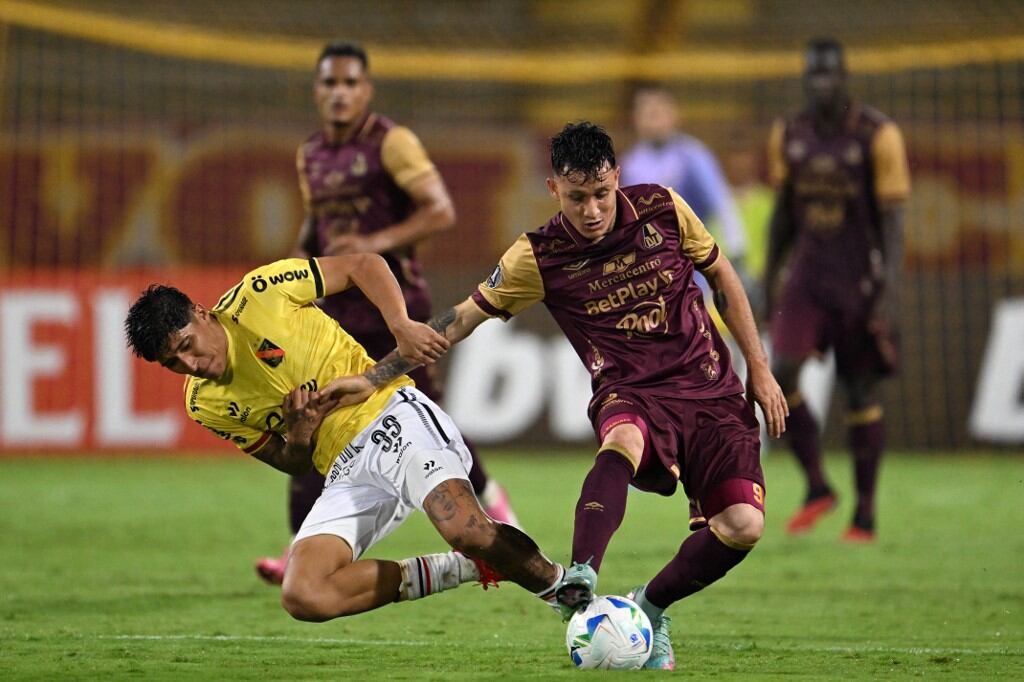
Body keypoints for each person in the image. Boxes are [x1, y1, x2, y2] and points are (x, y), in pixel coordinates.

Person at [328, 122, 788, 670]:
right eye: (576, 198)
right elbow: (458, 322)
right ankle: (582, 574)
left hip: (711, 387)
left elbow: (724, 277)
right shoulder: (537, 256)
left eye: (600, 194)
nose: (592, 210)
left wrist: (759, 367)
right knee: (622, 439)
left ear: (617, 177)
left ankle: (649, 609)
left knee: (743, 526)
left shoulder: (663, 208)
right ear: (553, 190)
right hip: (630, 389)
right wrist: (375, 377)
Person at [124, 255, 567, 624]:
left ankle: (569, 593)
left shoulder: (261, 293)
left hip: (390, 417)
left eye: (187, 345)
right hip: (343, 469)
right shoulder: (205, 404)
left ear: (201, 314)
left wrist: (400, 325)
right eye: (173, 363)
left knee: (467, 529)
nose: (191, 364)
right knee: (304, 595)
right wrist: (299, 437)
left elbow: (361, 264)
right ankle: (465, 568)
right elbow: (292, 462)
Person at [257, 41, 520, 585]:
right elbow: (316, 229)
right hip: (335, 315)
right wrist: (289, 273)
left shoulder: (391, 142)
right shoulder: (311, 154)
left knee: (428, 420)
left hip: (394, 304)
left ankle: (497, 512)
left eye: (350, 83)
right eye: (330, 84)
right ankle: (298, 548)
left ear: (367, 89)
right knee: (313, 415)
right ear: (317, 90)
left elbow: (440, 209)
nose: (339, 94)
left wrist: (372, 243)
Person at [764, 38, 910, 542]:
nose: (821, 84)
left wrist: (888, 286)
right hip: (806, 278)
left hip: (857, 278)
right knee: (779, 373)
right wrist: (767, 277)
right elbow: (784, 214)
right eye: (813, 76)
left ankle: (865, 514)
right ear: (805, 79)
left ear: (845, 78)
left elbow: (892, 222)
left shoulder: (877, 134)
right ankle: (817, 486)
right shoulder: (789, 133)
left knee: (860, 389)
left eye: (829, 76)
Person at [621, 84, 750, 285]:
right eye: (646, 112)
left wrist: (737, 252)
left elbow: (721, 203)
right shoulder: (631, 164)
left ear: (674, 115)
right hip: (650, 269)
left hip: (692, 265)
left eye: (658, 112)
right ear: (635, 118)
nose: (653, 119)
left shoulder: (693, 156)